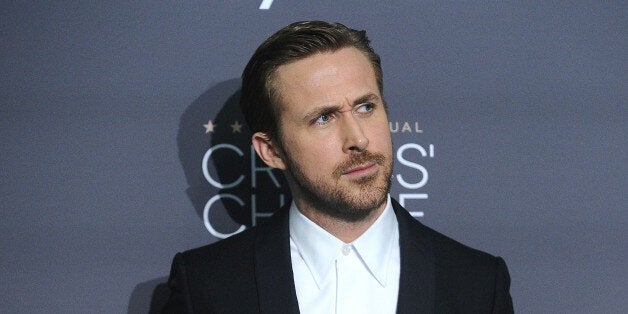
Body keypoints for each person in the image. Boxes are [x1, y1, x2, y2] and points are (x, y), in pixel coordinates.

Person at [162, 21, 514, 313]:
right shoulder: (206, 288)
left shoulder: (478, 286)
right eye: (324, 117)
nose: (358, 139)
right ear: (271, 150)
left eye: (365, 107)